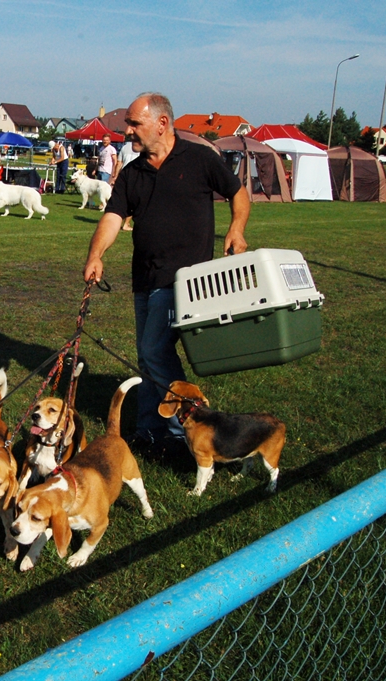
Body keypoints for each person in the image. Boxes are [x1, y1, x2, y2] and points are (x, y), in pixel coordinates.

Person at [82, 92, 250, 453]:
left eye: (134, 123)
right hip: (143, 278)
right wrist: (96, 254)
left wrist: (236, 229)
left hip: (184, 281)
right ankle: (148, 430)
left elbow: (238, 193)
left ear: (161, 123)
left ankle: (184, 430)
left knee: (156, 350)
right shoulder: (133, 173)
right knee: (147, 355)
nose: (127, 131)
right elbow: (113, 218)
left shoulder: (200, 158)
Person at [112, 133, 139, 231]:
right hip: (136, 176)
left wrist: (116, 175)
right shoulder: (140, 147)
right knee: (132, 202)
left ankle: (117, 222)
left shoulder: (124, 147)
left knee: (122, 200)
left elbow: (119, 163)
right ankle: (126, 224)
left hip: (124, 176)